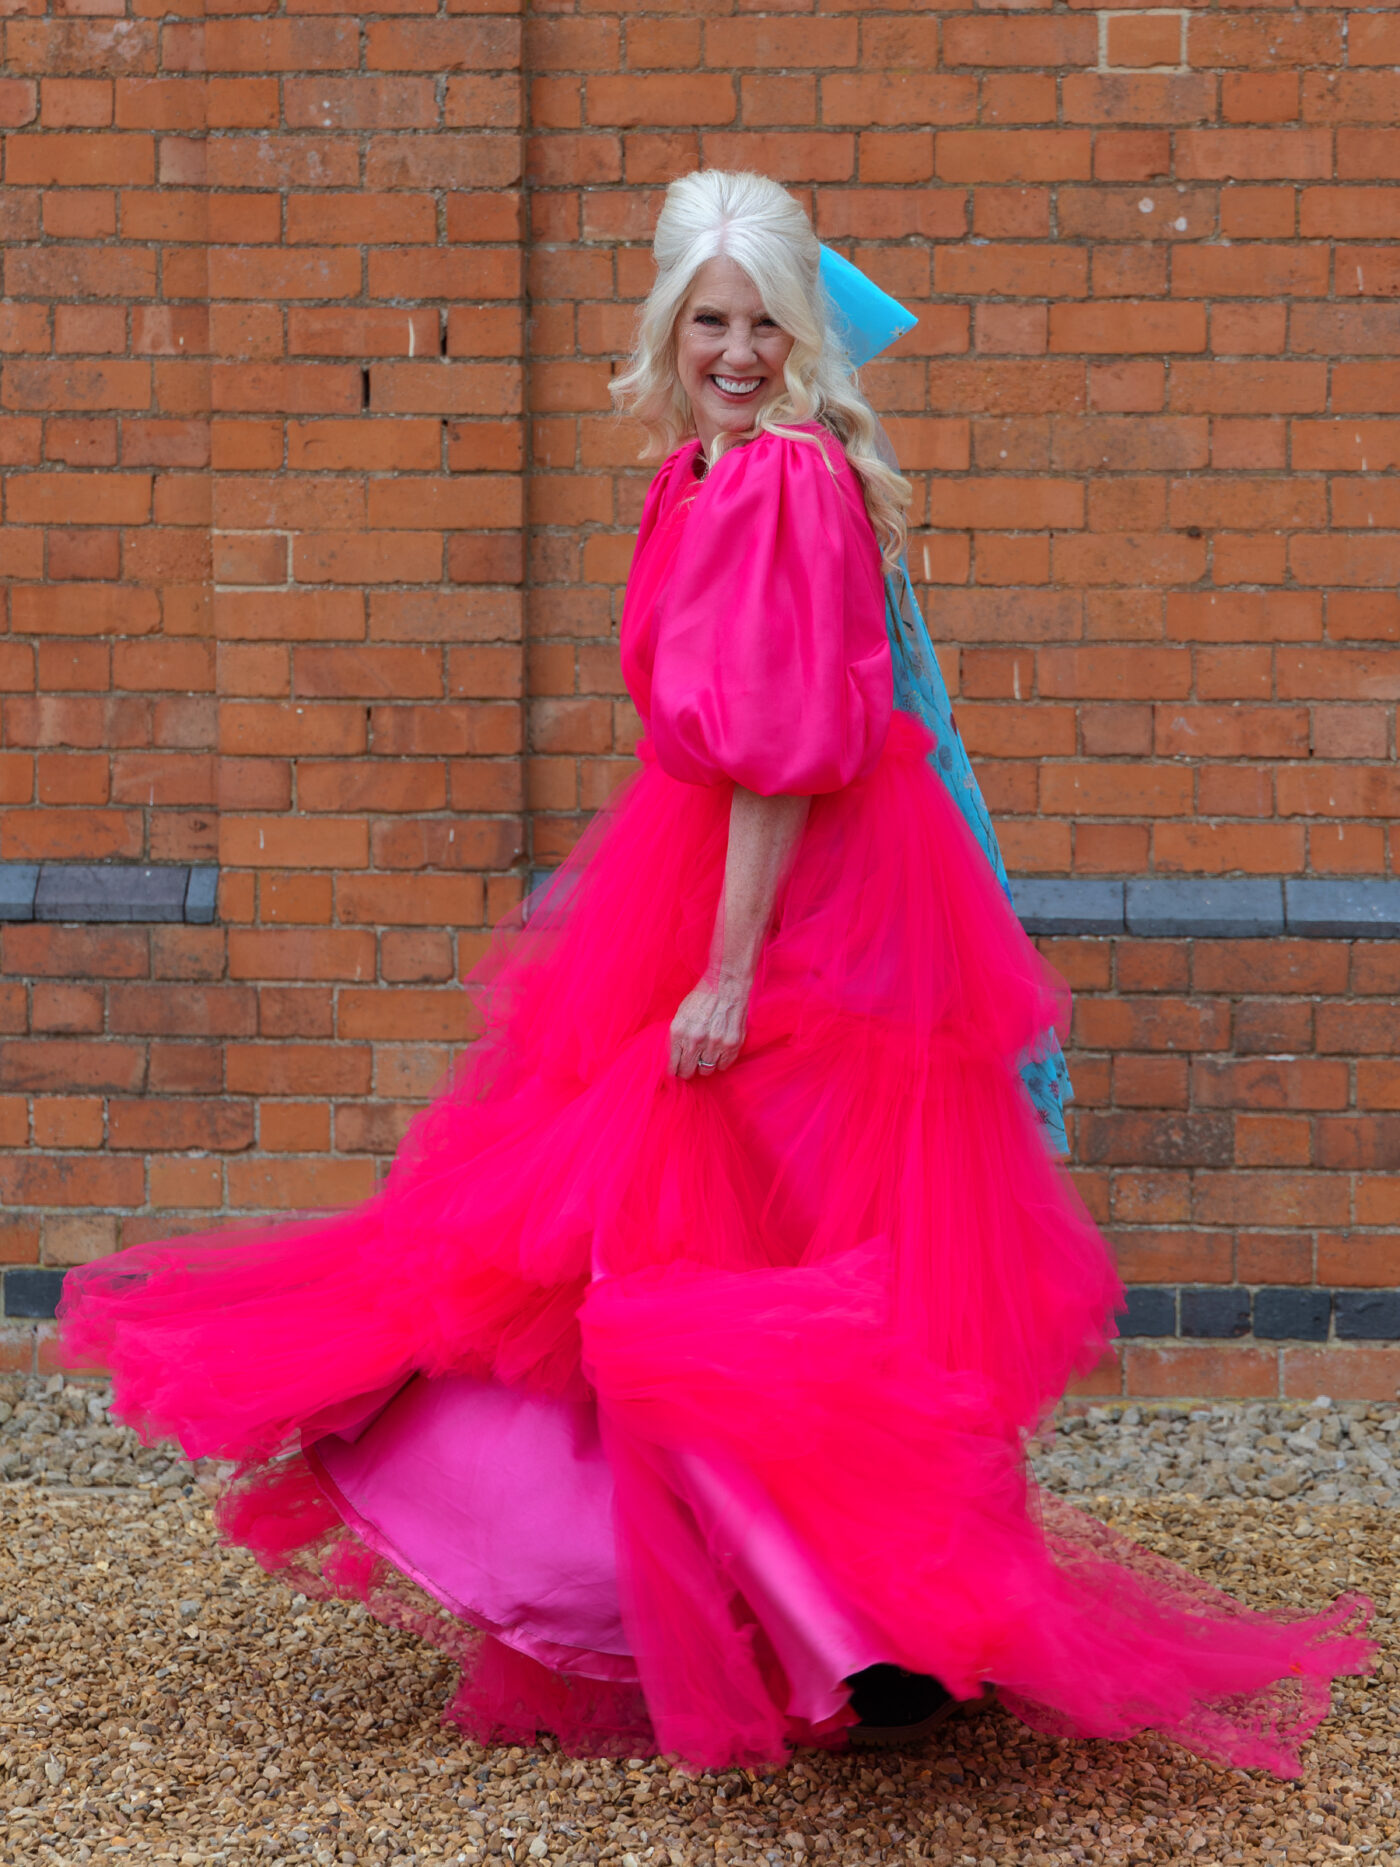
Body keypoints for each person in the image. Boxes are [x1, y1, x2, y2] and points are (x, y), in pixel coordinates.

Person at [60, 170, 1372, 1778]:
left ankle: (856, 1624)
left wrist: (728, 971)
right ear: (670, 330)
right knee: (736, 1255)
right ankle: (818, 1619)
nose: (737, 349)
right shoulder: (710, 469)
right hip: (735, 884)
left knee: (705, 1262)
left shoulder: (780, 482)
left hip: (796, 904)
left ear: (800, 337)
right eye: (711, 320)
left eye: (763, 323)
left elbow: (777, 755)